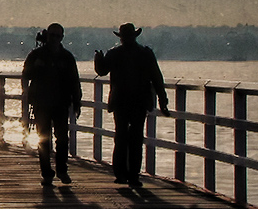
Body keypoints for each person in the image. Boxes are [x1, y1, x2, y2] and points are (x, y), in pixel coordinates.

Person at [94, 23, 170, 187]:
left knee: (123, 138)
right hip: (136, 101)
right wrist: (162, 99)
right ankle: (132, 175)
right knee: (133, 139)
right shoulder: (144, 53)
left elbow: (101, 71)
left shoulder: (116, 53)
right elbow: (157, 78)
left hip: (125, 101)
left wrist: (99, 61)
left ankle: (123, 174)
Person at [22, 23, 82, 186]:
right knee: (44, 139)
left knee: (62, 138)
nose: (54, 39)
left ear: (62, 37)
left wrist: (77, 101)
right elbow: (26, 75)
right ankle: (47, 172)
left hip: (61, 103)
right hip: (41, 103)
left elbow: (74, 80)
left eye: (57, 36)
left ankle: (62, 170)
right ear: (47, 36)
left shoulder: (67, 57)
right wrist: (36, 67)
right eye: (52, 35)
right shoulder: (36, 55)